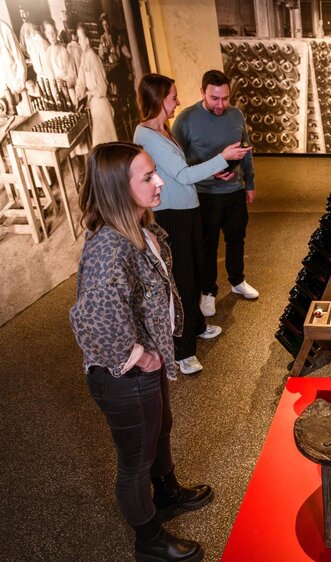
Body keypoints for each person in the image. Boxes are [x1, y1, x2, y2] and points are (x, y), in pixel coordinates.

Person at [69, 142, 214, 562]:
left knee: (160, 428)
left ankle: (166, 493)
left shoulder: (141, 228)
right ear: (118, 188)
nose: (160, 182)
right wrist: (137, 356)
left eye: (156, 173)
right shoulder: (108, 250)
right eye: (148, 177)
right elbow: (88, 318)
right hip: (125, 377)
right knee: (135, 459)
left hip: (145, 366)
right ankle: (149, 539)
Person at [134, 73, 251, 375]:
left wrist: (219, 169)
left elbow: (181, 172)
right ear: (160, 99)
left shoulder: (163, 130)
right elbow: (184, 175)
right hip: (172, 213)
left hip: (188, 209)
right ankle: (183, 351)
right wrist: (222, 158)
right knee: (182, 280)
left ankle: (197, 325)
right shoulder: (147, 135)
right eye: (173, 96)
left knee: (196, 270)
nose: (178, 101)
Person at [173, 69, 259, 318]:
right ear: (202, 92)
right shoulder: (186, 120)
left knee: (236, 240)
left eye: (225, 98)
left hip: (234, 191)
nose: (221, 104)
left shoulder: (236, 114)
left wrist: (250, 183)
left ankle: (237, 281)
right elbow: (177, 164)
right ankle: (208, 291)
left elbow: (246, 149)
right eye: (214, 98)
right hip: (205, 195)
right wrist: (211, 173)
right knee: (207, 247)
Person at [75, 25, 118, 145]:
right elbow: (81, 79)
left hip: (101, 104)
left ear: (87, 40)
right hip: (94, 104)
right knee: (102, 147)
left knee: (105, 145)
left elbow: (102, 89)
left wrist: (89, 92)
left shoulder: (94, 59)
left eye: (80, 38)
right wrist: (77, 93)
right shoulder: (84, 56)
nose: (78, 41)